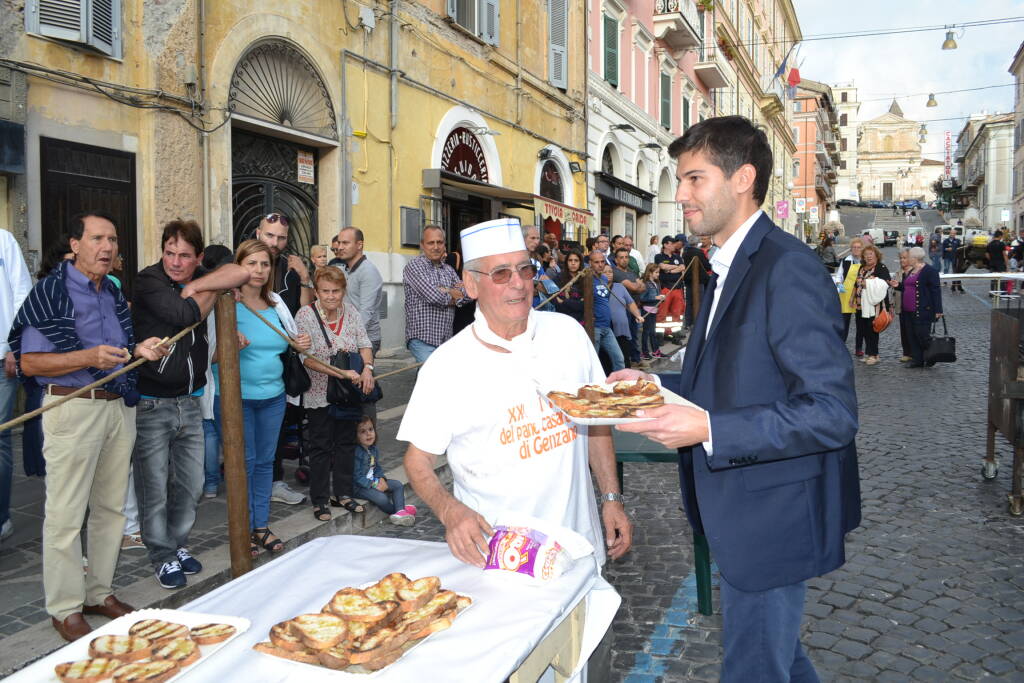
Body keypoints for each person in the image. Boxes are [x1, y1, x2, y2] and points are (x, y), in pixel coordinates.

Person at [614, 116, 860, 683]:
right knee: (778, 660)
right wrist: (652, 386)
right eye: (681, 180)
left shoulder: (786, 270)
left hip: (772, 520)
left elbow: (832, 413)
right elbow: (729, 381)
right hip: (747, 516)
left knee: (756, 668)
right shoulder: (730, 263)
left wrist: (707, 430)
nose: (680, 195)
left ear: (742, 177)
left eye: (694, 179)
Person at [399, 218, 631, 671]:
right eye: (500, 274)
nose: (519, 284)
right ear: (470, 284)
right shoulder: (447, 367)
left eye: (524, 270)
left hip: (580, 548)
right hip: (503, 564)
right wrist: (450, 512)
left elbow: (596, 423)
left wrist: (610, 497)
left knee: (589, 667)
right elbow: (417, 461)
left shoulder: (567, 335)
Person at [11, 212, 168, 641]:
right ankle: (64, 609)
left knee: (110, 510)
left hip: (118, 408)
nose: (108, 247)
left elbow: (113, 349)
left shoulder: (112, 293)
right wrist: (88, 358)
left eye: (113, 240)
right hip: (72, 407)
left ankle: (99, 593)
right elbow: (29, 362)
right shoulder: (51, 291)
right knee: (65, 515)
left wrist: (138, 349)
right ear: (75, 244)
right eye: (97, 238)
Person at [130, 220, 250, 589]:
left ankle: (178, 544)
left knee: (192, 483)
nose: (176, 262)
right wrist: (213, 288)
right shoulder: (148, 280)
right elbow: (184, 316)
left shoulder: (195, 277)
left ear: (198, 257)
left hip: (191, 400)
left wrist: (199, 284)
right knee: (154, 486)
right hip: (152, 402)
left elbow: (240, 270)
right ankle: (161, 556)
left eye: (185, 256)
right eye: (170, 253)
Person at [210, 239, 311, 558]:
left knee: (266, 463)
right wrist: (227, 344)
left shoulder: (277, 304)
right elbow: (207, 355)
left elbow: (290, 343)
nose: (258, 270)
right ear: (239, 266)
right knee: (243, 464)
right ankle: (242, 530)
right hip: (236, 398)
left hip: (273, 397)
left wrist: (301, 342)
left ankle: (260, 527)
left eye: (264, 264)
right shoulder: (224, 302)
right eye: (251, 263)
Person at [294, 266, 373, 521]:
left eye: (336, 291)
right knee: (320, 447)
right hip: (320, 393)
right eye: (325, 291)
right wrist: (341, 373)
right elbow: (306, 358)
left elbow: (365, 344)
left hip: (349, 392)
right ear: (316, 291)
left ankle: (343, 493)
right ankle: (320, 499)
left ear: (343, 291)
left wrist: (368, 370)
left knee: (346, 443)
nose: (330, 296)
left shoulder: (351, 313)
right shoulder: (305, 316)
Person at [254, 212, 310, 506]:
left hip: (281, 365)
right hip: (247, 364)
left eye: (281, 238)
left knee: (274, 431)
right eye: (269, 235)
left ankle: (273, 482)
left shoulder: (290, 271)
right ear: (257, 233)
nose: (274, 243)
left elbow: (303, 313)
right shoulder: (243, 266)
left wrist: (304, 277)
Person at [0, 228, 32, 546]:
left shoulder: (3, 240)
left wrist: (15, 346)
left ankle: (1, 517)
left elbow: (22, 293)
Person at [199, 244, 235, 499]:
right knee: (216, 430)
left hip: (206, 369)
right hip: (210, 369)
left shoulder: (200, 290)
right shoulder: (214, 294)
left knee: (210, 430)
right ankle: (218, 480)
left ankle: (211, 483)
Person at [403, 226, 468, 363]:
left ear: (444, 244)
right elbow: (433, 296)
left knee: (433, 380)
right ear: (422, 245)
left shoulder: (448, 270)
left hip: (445, 340)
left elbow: (468, 295)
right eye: (431, 243)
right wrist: (453, 292)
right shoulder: (414, 266)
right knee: (435, 377)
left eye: (439, 242)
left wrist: (446, 290)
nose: (436, 247)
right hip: (422, 339)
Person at [353, 416, 416, 525]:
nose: (368, 434)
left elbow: (376, 467)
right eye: (363, 431)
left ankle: (401, 511)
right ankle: (397, 511)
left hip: (374, 480)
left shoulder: (373, 449)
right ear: (356, 436)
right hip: (360, 487)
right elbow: (356, 476)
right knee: (381, 498)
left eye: (371, 429)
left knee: (397, 485)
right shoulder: (356, 453)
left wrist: (381, 478)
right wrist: (373, 484)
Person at [889, 246, 942, 368]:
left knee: (922, 335)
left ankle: (933, 355)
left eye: (909, 257)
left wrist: (938, 310)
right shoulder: (911, 271)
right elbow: (908, 287)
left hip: (922, 309)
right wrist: (898, 285)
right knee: (911, 335)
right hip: (907, 309)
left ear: (915, 258)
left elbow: (935, 291)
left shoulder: (930, 271)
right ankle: (917, 360)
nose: (907, 259)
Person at [335, 227, 383, 357]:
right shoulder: (346, 269)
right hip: (348, 336)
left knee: (362, 376)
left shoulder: (368, 271)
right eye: (339, 243)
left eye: (345, 243)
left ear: (359, 245)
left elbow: (365, 313)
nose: (340, 247)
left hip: (364, 339)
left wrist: (346, 340)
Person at [851, 244, 890, 366]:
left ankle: (874, 354)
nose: (868, 257)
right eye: (866, 254)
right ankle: (869, 353)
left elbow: (884, 283)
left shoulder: (881, 267)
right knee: (863, 329)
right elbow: (856, 284)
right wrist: (852, 299)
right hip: (860, 304)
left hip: (875, 305)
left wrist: (868, 283)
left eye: (871, 254)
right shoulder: (862, 268)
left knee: (872, 329)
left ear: (876, 255)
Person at [588, 250, 626, 372]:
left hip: (607, 326)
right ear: (590, 263)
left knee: (619, 358)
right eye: (596, 262)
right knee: (594, 362)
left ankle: (618, 386)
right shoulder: (587, 279)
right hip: (595, 327)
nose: (600, 265)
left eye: (602, 261)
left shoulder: (604, 279)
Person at [611, 248, 644, 365]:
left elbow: (643, 287)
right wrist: (637, 285)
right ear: (616, 259)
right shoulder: (615, 272)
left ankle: (635, 358)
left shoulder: (631, 272)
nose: (624, 260)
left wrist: (637, 285)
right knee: (626, 335)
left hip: (635, 307)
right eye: (621, 257)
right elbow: (635, 288)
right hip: (623, 309)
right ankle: (628, 359)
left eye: (626, 257)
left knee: (634, 334)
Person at [837, 237, 863, 352]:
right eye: (854, 247)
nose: (856, 250)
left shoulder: (865, 262)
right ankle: (841, 346)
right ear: (851, 249)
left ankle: (858, 348)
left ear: (862, 249)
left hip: (860, 295)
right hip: (846, 294)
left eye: (858, 247)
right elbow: (839, 275)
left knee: (860, 323)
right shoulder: (845, 261)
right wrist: (839, 284)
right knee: (844, 323)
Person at [681, 235, 712, 328]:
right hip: (698, 280)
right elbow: (707, 266)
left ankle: (688, 322)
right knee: (699, 301)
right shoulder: (698, 252)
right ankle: (698, 322)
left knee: (689, 302)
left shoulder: (685, 252)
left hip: (688, 279)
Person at [653, 236, 685, 324]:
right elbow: (662, 266)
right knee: (663, 312)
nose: (675, 245)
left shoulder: (677, 257)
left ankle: (674, 333)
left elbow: (682, 267)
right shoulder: (659, 256)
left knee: (677, 312)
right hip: (665, 288)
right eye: (672, 243)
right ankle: (662, 334)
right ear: (665, 245)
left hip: (677, 288)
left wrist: (669, 271)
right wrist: (675, 267)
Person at [638, 264, 665, 360]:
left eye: (659, 272)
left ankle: (655, 351)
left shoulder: (657, 283)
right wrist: (656, 297)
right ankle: (645, 352)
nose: (658, 274)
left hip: (654, 310)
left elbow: (658, 295)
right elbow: (642, 298)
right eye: (656, 272)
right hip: (647, 311)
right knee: (647, 332)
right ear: (650, 273)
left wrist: (661, 298)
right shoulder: (645, 283)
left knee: (652, 332)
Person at [893, 248, 914, 363]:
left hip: (913, 306)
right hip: (901, 306)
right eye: (901, 258)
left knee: (914, 330)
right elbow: (895, 290)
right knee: (904, 331)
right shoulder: (898, 272)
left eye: (905, 258)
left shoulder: (915, 272)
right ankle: (907, 353)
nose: (902, 260)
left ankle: (916, 352)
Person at [554, 248, 585, 322]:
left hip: (579, 322)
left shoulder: (585, 279)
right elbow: (556, 303)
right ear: (566, 262)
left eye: (576, 260)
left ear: (580, 262)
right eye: (570, 260)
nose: (573, 263)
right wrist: (574, 304)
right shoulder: (558, 278)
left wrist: (564, 302)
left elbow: (583, 306)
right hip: (561, 320)